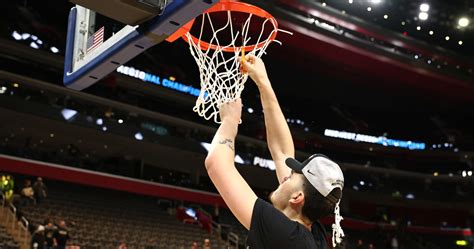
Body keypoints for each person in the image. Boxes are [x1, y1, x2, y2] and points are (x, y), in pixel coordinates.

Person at [204, 55, 344, 249]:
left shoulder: (287, 236)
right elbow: (281, 151)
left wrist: (230, 120)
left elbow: (217, 165)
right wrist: (263, 82)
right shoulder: (312, 235)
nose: (286, 176)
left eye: (293, 176)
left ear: (297, 198)